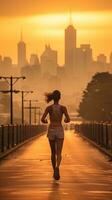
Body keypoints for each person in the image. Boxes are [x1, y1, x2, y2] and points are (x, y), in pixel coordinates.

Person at [41, 90, 70, 180]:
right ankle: (57, 167)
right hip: (59, 129)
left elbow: (42, 119)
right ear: (60, 97)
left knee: (53, 152)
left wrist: (46, 121)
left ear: (53, 98)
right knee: (59, 152)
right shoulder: (63, 108)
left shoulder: (49, 108)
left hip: (52, 129)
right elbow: (68, 119)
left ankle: (54, 171)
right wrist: (65, 120)